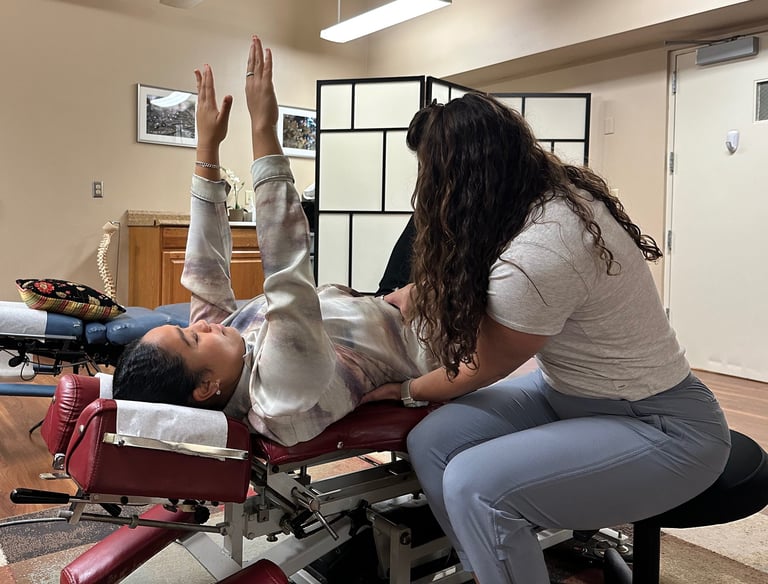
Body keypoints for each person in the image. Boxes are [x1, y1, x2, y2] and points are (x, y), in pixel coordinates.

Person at [360, 95, 732, 583]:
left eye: (431, 173)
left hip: (664, 425)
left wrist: (405, 391)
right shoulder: (535, 201)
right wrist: (424, 289)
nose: (427, 188)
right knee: (432, 440)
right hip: (568, 393)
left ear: (469, 175)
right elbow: (484, 280)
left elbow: (482, 365)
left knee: (476, 484)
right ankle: (489, 567)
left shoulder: (547, 244)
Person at [112, 36, 440, 446]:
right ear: (205, 387)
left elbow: (204, 265)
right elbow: (287, 270)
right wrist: (263, 130)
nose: (201, 326)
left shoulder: (226, 353)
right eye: (193, 337)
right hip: (428, 329)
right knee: (458, 209)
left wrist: (208, 145)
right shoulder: (279, 395)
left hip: (382, 302)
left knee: (436, 205)